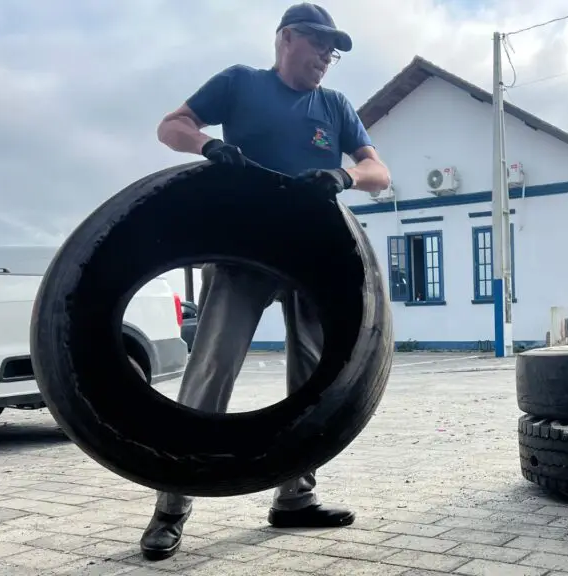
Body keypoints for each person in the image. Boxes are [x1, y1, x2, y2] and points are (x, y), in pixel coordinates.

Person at [139, 3, 391, 561]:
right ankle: (171, 507)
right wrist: (208, 146)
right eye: (320, 44)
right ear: (286, 39)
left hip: (313, 259)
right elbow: (171, 125)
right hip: (243, 253)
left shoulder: (335, 105)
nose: (327, 57)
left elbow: (379, 172)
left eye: (334, 52)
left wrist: (344, 174)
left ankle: (295, 497)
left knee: (315, 381)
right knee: (211, 373)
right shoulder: (240, 83)